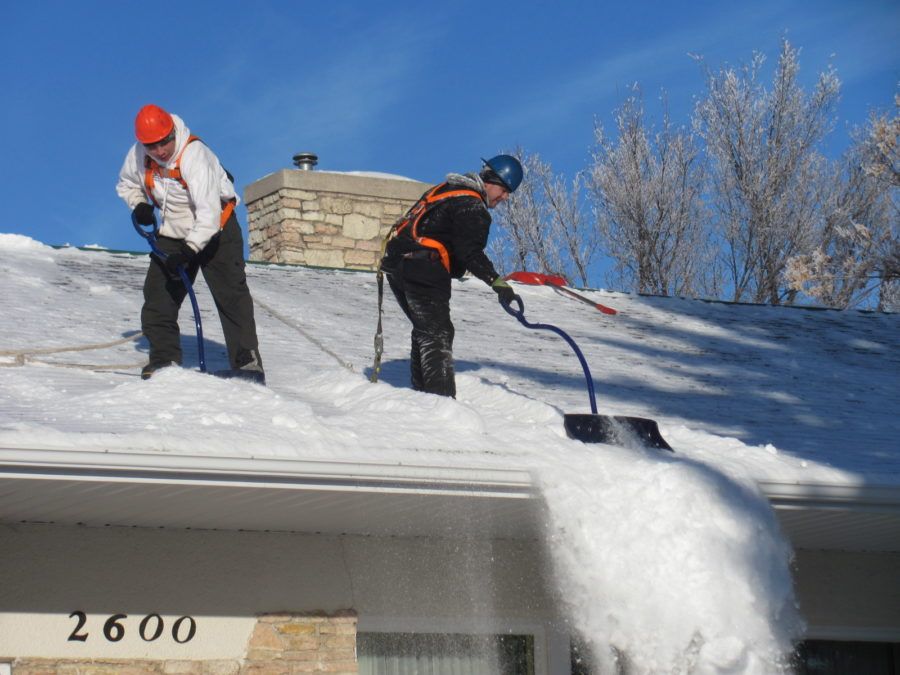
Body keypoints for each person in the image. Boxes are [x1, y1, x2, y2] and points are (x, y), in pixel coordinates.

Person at [116, 104, 264, 382]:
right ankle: (163, 362)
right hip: (173, 231)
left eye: (164, 142)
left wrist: (189, 251)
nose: (159, 151)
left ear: (172, 132)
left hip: (217, 228)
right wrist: (139, 205)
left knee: (231, 296)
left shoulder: (195, 155)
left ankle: (247, 365)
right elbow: (126, 184)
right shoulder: (139, 155)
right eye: (151, 146)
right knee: (158, 295)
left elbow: (208, 213)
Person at [380, 154, 523, 398]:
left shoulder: (447, 190)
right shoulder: (472, 206)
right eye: (505, 189)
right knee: (438, 333)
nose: (505, 197)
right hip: (424, 267)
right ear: (490, 180)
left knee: (427, 330)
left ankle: (422, 397)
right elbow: (470, 253)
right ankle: (441, 402)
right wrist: (497, 283)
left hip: (397, 266)